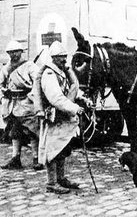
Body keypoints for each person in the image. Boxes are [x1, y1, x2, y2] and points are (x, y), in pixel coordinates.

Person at [37, 41, 90, 194]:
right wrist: (75, 108)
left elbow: (70, 89)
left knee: (63, 148)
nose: (64, 60)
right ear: (53, 57)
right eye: (61, 57)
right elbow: (56, 98)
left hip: (63, 117)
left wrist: (83, 99)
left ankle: (61, 178)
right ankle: (51, 183)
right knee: (52, 150)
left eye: (65, 57)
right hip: (54, 117)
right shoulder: (49, 74)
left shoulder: (61, 71)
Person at [0, 40, 43, 171]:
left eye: (16, 52)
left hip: (26, 103)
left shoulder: (30, 66)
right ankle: (15, 158)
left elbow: (37, 82)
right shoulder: (6, 68)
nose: (13, 55)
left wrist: (32, 97)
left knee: (32, 131)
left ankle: (36, 159)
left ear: (21, 52)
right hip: (12, 104)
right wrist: (1, 97)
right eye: (10, 52)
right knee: (14, 132)